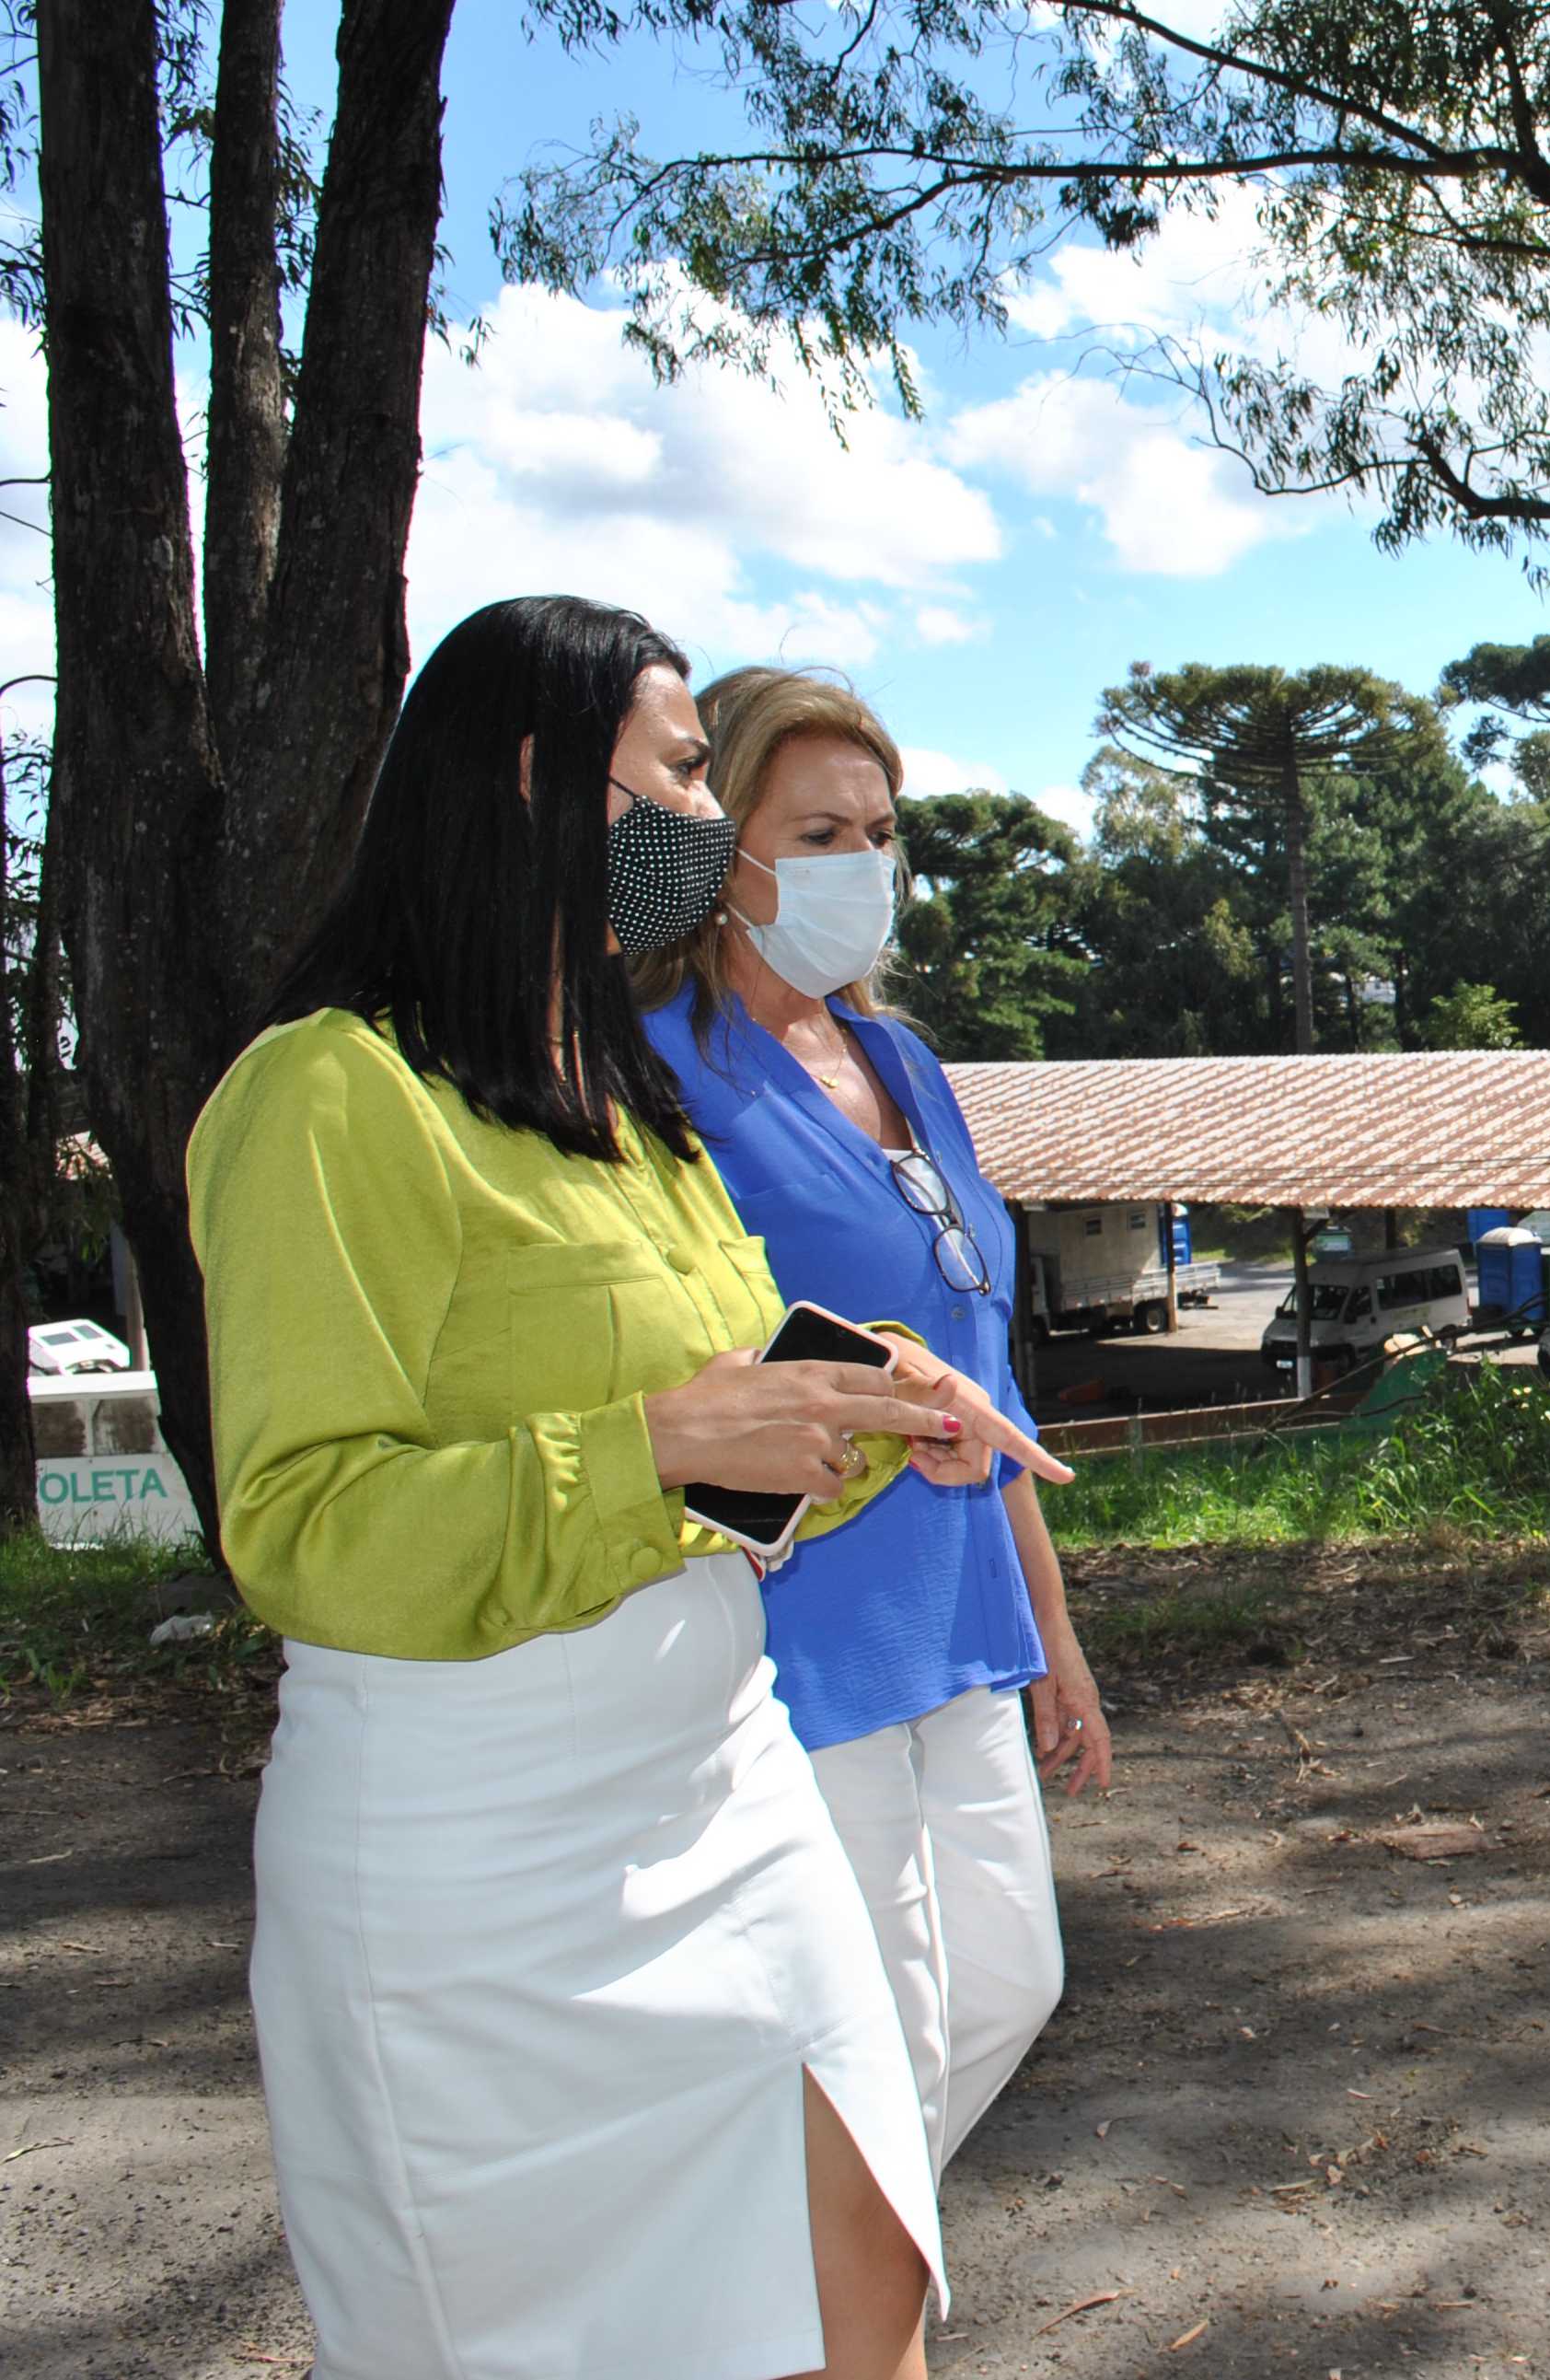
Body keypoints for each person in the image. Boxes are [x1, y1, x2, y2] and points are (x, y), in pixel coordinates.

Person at [192, 596, 1068, 2380]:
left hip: (724, 1798)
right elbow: (302, 1530)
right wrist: (656, 1445)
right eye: (683, 774)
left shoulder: (615, 1099)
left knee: (869, 2295)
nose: (702, 820)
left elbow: (734, 1430)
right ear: (538, 782)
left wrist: (861, 1410)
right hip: (479, 1870)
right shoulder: (328, 1095)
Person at [634, 666, 1107, 2176]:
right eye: (820, 828)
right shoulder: (658, 1068)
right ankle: (825, 2325)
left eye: (881, 830)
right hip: (799, 1631)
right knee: (876, 2038)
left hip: (962, 1618)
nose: (865, 864)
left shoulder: (903, 1060)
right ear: (722, 846)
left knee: (1007, 1988)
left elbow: (982, 1373)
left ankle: (796, 2302)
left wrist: (1054, 1632)